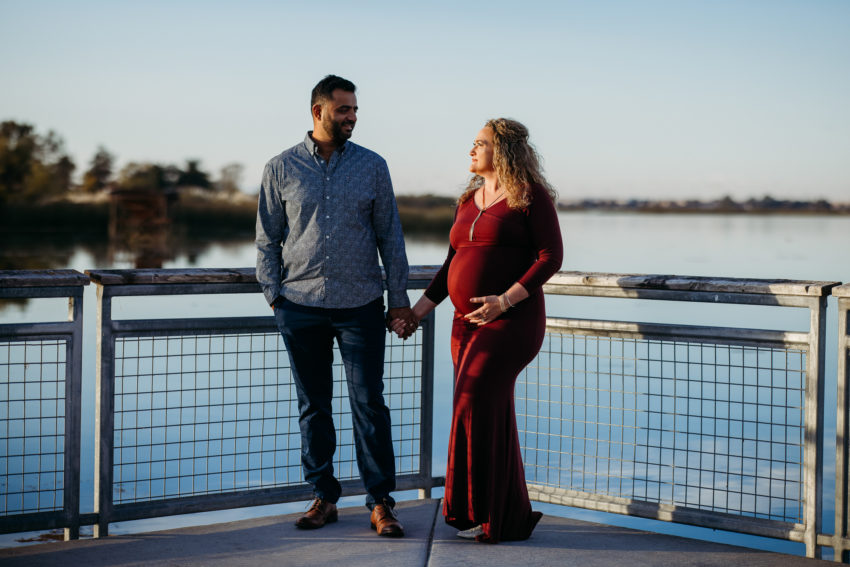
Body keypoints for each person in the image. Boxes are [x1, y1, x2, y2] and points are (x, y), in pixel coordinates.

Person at [256, 74, 416, 537]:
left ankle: (381, 503)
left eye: (354, 110)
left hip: (361, 304)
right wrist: (275, 297)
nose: (352, 118)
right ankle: (323, 497)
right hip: (299, 305)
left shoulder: (372, 166)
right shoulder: (280, 168)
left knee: (369, 403)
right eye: (344, 110)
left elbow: (391, 235)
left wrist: (398, 300)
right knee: (314, 406)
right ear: (318, 111)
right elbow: (267, 239)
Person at [393, 118, 563, 543]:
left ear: (502, 151)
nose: (471, 150)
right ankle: (493, 512)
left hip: (510, 323)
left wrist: (503, 301)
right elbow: (452, 264)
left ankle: (497, 515)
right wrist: (418, 312)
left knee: (474, 404)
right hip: (463, 325)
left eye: (480, 143)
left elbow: (551, 256)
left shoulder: (530, 197)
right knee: (483, 411)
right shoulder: (469, 199)